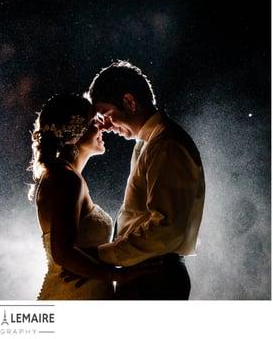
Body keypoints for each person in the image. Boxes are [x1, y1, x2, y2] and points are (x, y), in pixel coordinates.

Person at [87, 60, 206, 300]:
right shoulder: (150, 142)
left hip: (155, 277)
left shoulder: (166, 144)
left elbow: (166, 227)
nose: (106, 126)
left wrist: (102, 255)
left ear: (130, 102)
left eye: (107, 114)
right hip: (146, 272)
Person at [29, 93, 116, 300]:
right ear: (76, 132)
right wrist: (121, 275)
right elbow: (63, 253)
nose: (103, 127)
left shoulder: (63, 176)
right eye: (95, 121)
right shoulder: (66, 179)